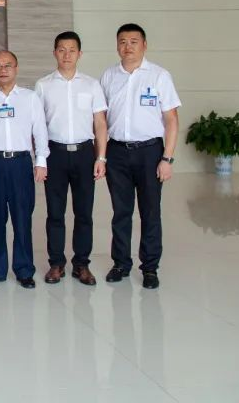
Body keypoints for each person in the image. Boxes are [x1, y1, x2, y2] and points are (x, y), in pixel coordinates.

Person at [100, 23, 181, 290]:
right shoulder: (109, 76)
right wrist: (101, 156)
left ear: (144, 45)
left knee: (150, 212)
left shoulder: (159, 76)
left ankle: (150, 268)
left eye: (134, 41)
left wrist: (167, 159)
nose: (128, 47)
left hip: (150, 152)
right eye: (123, 42)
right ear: (117, 46)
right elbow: (100, 119)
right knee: (121, 212)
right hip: (117, 152)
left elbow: (172, 120)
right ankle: (121, 263)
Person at [34, 31, 108, 286]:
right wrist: (39, 159)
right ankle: (56, 263)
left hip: (85, 154)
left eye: (72, 50)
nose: (67, 55)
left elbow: (100, 123)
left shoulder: (92, 85)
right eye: (62, 50)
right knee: (55, 212)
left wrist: (101, 157)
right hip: (54, 154)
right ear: (55, 53)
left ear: (80, 53)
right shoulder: (43, 85)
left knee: (84, 212)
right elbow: (37, 126)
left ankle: (81, 264)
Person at [0, 50, 49, 289]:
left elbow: (40, 131)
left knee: (22, 219)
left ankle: (24, 270)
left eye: (8, 65)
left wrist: (41, 161)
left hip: (20, 164)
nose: (3, 69)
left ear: (16, 68)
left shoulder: (30, 98)